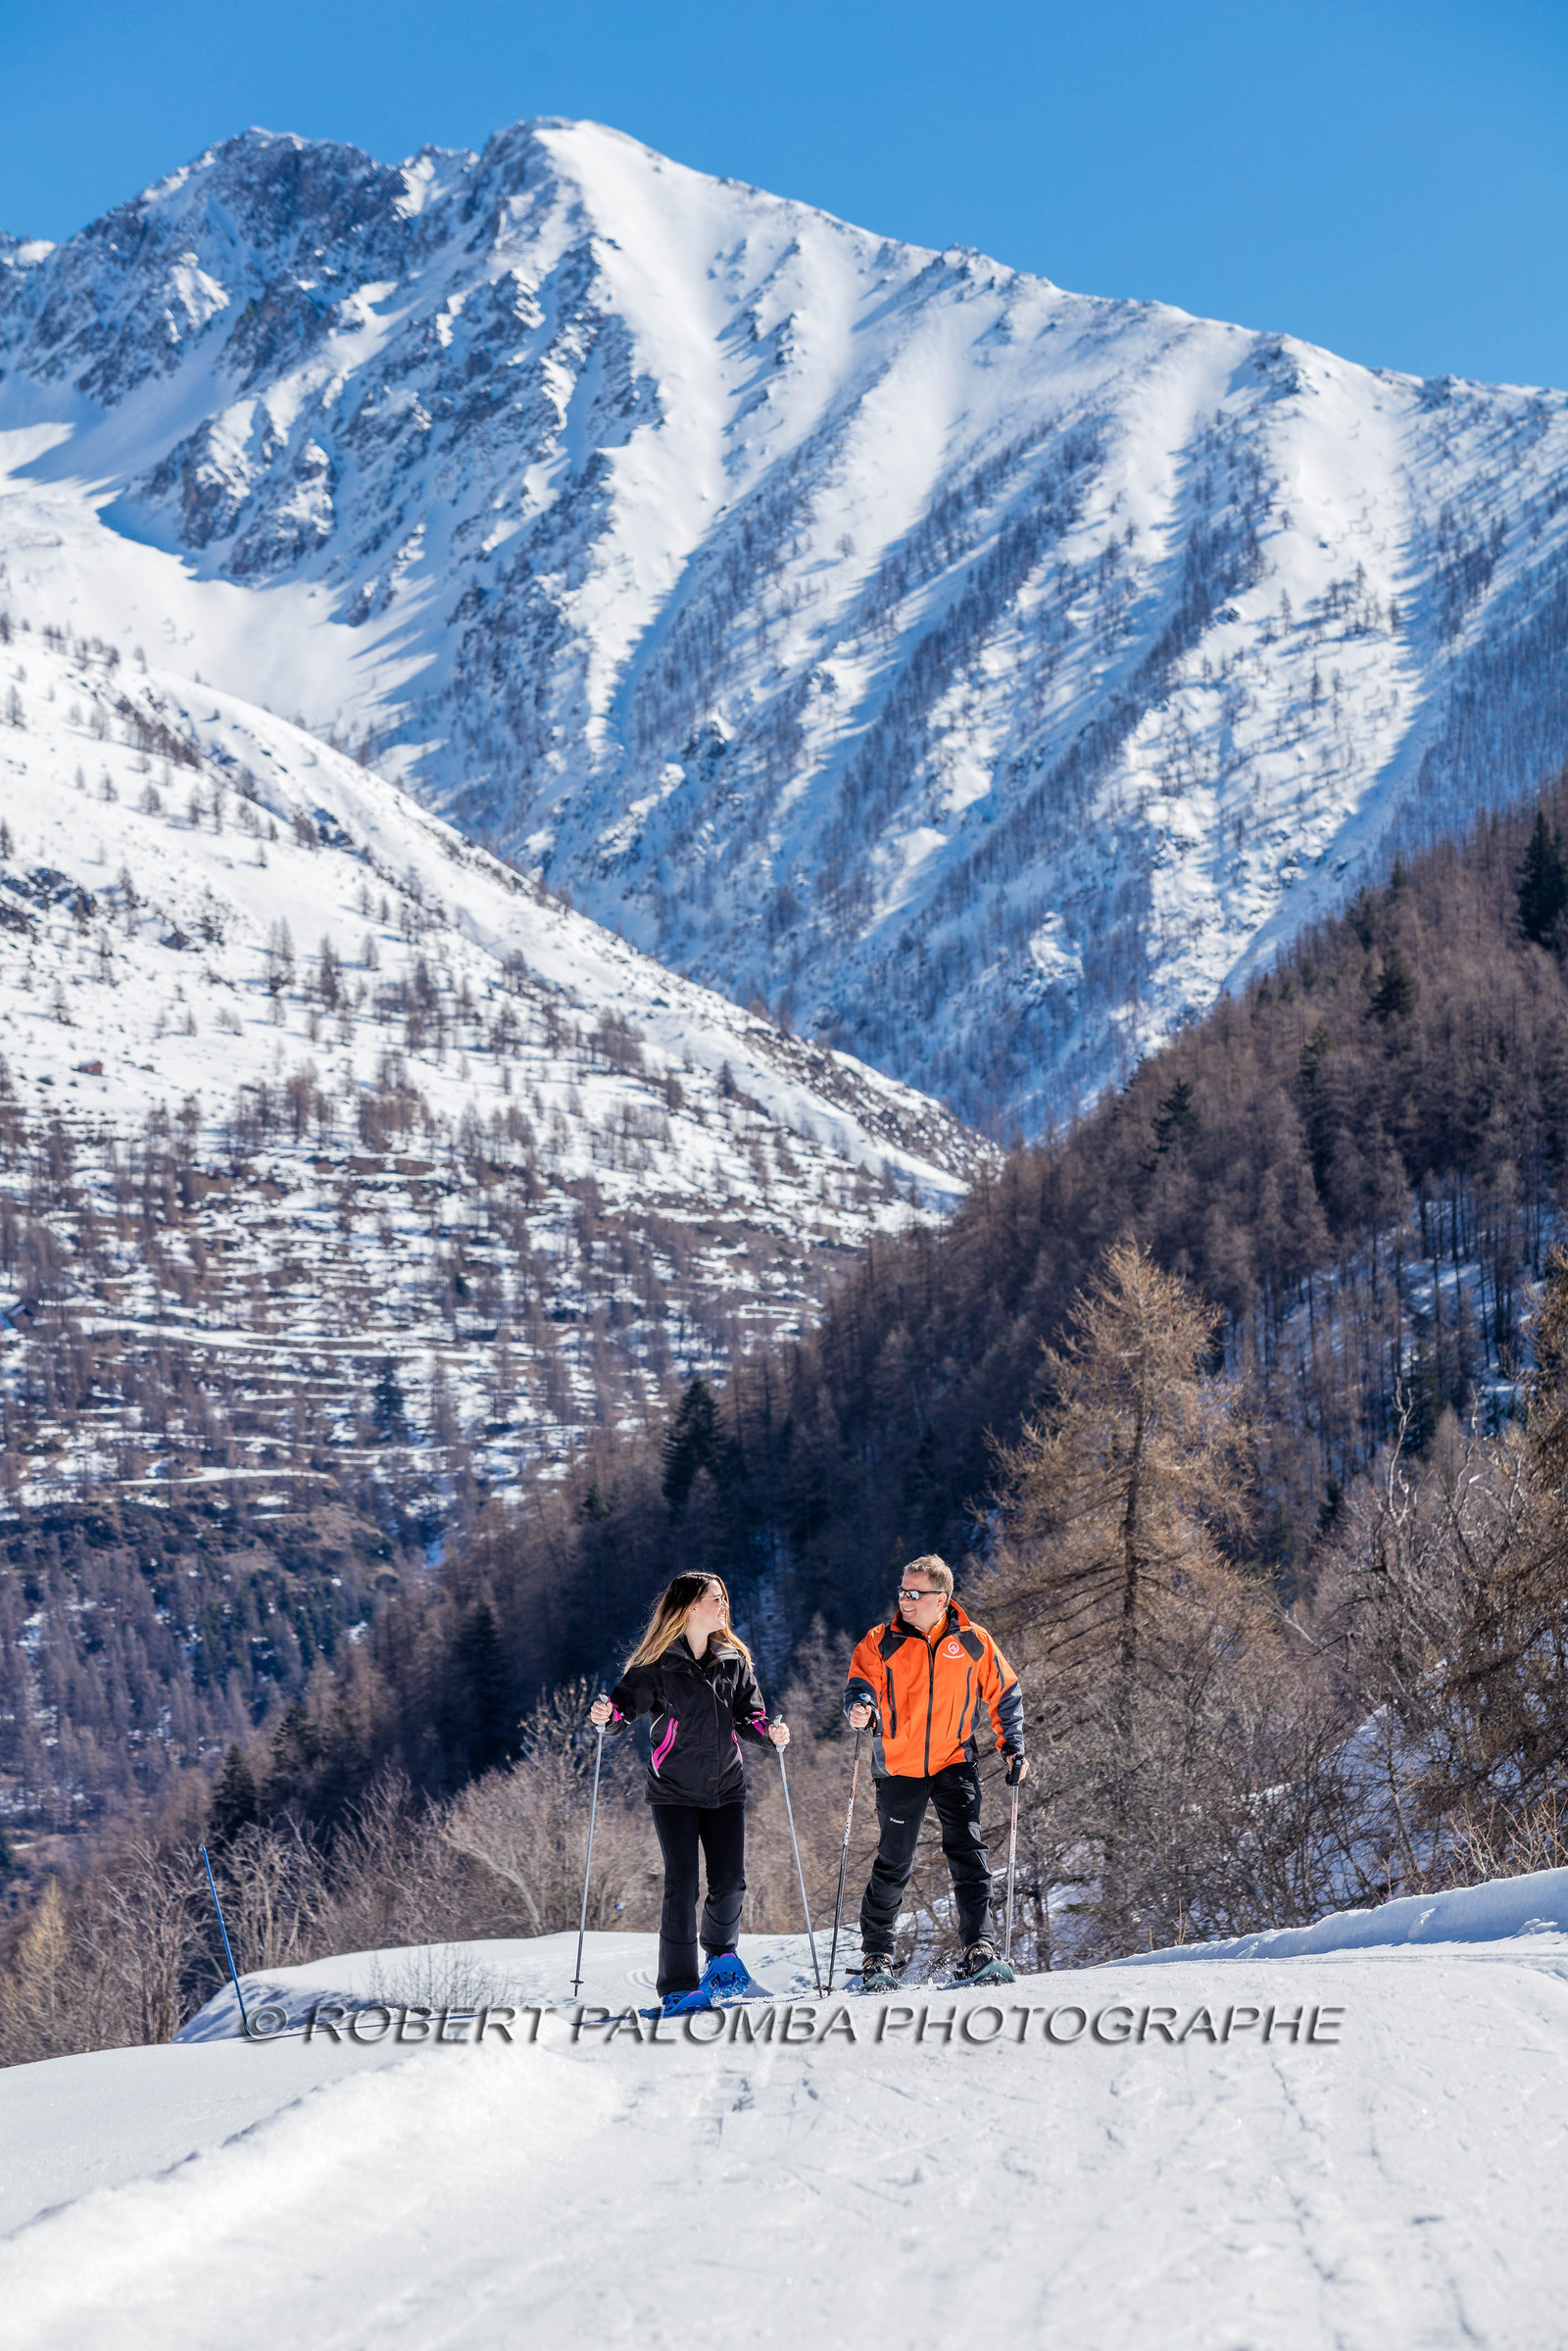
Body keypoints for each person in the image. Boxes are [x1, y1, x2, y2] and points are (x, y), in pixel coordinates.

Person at [589, 1573, 789, 2011]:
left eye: (724, 1598)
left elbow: (750, 1715)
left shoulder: (733, 1660)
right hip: (673, 1792)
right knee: (682, 1887)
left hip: (727, 1787)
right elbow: (622, 1710)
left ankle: (720, 1955)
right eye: (716, 1599)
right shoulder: (657, 1664)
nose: (724, 1606)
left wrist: (769, 1733)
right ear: (690, 1606)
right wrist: (607, 1716)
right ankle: (679, 1986)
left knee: (731, 1882)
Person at [844, 1553, 1026, 1989]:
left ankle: (979, 1950)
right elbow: (860, 1684)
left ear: (940, 1599)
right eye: (902, 1591)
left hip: (954, 1761)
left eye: (914, 1593)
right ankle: (877, 1958)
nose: (904, 1600)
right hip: (899, 1767)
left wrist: (1013, 1745)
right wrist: (860, 1707)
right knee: (895, 1862)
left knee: (969, 1853)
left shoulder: (973, 1640)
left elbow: (1004, 1692)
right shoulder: (880, 1640)